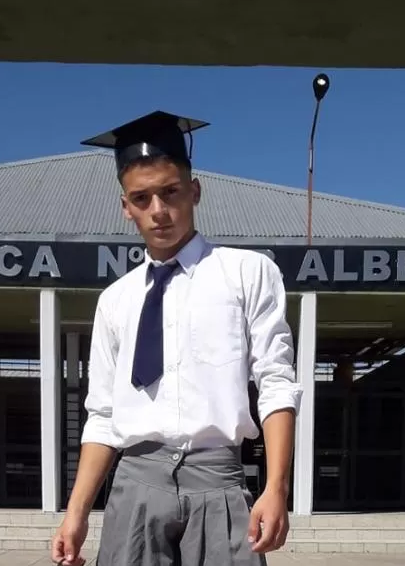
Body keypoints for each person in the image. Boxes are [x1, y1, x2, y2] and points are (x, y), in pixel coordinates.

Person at [51, 110, 303, 566]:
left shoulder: (247, 273)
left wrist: (276, 487)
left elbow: (275, 382)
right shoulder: (116, 300)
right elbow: (103, 415)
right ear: (126, 207)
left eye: (170, 193)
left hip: (219, 484)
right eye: (141, 199)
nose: (159, 211)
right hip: (136, 487)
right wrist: (76, 513)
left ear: (194, 190)